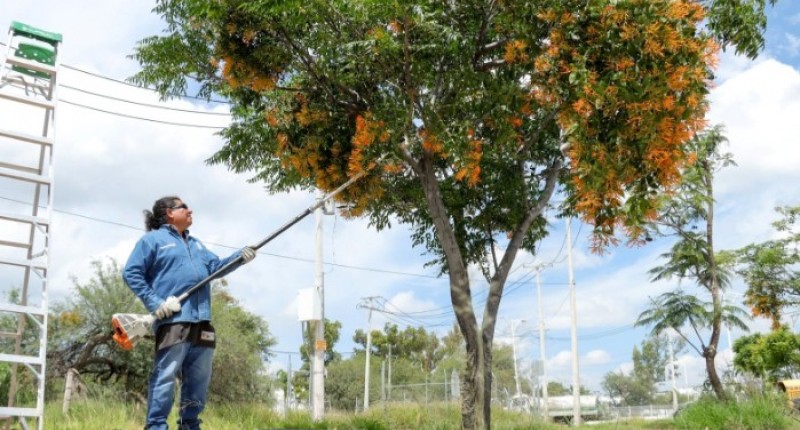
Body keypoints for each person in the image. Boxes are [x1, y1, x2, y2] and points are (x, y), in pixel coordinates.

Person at [123, 196, 256, 430]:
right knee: (165, 377)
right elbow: (131, 273)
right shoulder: (152, 240)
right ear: (169, 213)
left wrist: (240, 257)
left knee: (199, 380)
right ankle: (156, 426)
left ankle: (189, 425)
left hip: (202, 321)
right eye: (184, 207)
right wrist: (156, 303)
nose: (190, 210)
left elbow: (216, 268)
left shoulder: (196, 244)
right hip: (174, 321)